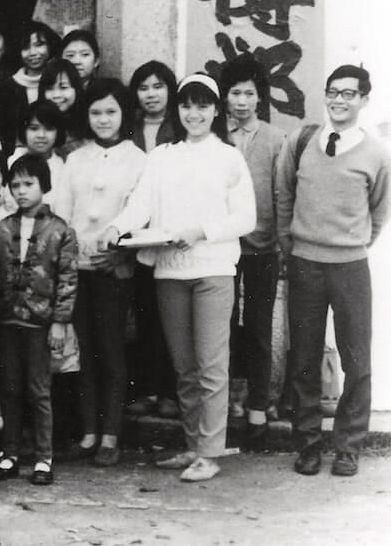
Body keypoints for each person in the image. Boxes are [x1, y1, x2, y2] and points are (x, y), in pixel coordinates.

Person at [99, 73, 255, 482]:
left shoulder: (229, 157)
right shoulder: (163, 156)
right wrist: (117, 227)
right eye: (187, 105)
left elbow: (245, 218)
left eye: (203, 105)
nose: (194, 113)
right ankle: (192, 445)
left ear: (216, 110)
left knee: (211, 365)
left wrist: (200, 231)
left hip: (213, 270)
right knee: (184, 367)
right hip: (170, 271)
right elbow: (141, 204)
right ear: (178, 109)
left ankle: (211, 451)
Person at [277, 65, 391, 478]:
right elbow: (284, 195)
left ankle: (348, 446)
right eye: (333, 92)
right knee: (304, 358)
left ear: (363, 99)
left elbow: (378, 211)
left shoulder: (376, 152)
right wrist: (292, 245)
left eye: (349, 93)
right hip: (305, 264)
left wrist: (352, 242)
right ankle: (307, 444)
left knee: (356, 360)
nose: (339, 100)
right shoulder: (303, 141)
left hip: (350, 267)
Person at [54, 78, 145, 467]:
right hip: (78, 270)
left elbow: (143, 213)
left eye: (110, 111)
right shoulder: (76, 159)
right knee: (84, 353)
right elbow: (62, 213)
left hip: (113, 271)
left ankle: (111, 435)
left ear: (123, 113)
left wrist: (122, 257)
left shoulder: (138, 159)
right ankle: (89, 432)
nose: (103, 119)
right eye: (95, 112)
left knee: (110, 351)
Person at [0, 154, 78, 485]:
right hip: (8, 320)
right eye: (15, 185)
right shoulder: (2, 228)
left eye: (29, 184)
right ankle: (9, 453)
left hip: (40, 322)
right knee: (9, 388)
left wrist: (60, 321)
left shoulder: (60, 230)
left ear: (44, 186)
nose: (21, 191)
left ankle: (43, 457)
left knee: (39, 391)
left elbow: (67, 278)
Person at [220, 53, 286, 449]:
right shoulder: (216, 136)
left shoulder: (277, 140)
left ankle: (259, 407)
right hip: (223, 247)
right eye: (235, 93)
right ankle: (228, 405)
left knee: (260, 326)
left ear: (260, 97)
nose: (241, 101)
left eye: (249, 93)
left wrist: (280, 240)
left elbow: (282, 196)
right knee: (223, 328)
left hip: (263, 247)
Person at [125, 61, 180, 418]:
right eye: (144, 87)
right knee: (142, 316)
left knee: (170, 320)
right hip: (133, 238)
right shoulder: (127, 128)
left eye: (158, 86)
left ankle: (169, 393)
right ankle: (145, 388)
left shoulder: (179, 128)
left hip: (170, 236)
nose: (151, 94)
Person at [0, 21, 58, 155]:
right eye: (26, 47)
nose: (33, 52)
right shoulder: (7, 88)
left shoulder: (57, 83)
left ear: (49, 46)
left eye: (39, 45)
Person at [8, 101, 66, 207]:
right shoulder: (12, 162)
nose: (41, 135)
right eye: (34, 128)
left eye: (48, 129)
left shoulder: (63, 168)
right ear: (24, 130)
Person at [39, 59, 86, 157]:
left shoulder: (87, 122)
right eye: (49, 89)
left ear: (76, 89)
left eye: (63, 87)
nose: (56, 95)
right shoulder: (36, 120)